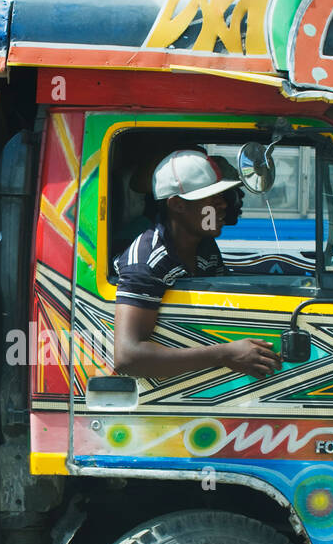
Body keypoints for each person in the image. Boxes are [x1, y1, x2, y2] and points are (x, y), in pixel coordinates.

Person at [112, 149, 276, 379]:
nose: (223, 206)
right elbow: (128, 357)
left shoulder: (205, 245)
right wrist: (225, 354)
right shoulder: (148, 261)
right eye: (212, 199)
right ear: (178, 205)